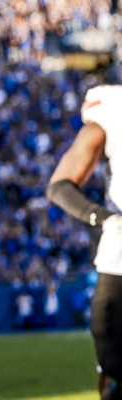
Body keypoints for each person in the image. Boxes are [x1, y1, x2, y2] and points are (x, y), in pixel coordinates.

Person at [47, 83, 122, 400]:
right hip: (120, 261)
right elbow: (60, 185)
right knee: (114, 369)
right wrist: (105, 218)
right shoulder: (113, 108)